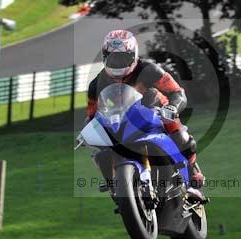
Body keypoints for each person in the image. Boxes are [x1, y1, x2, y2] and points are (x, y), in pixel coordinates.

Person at [86, 29, 205, 189]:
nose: (118, 62)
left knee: (179, 133)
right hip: (121, 120)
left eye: (122, 57)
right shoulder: (96, 84)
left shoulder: (149, 69)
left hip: (155, 110)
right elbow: (92, 115)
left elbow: (177, 92)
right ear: (105, 57)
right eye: (113, 57)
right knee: (102, 151)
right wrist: (89, 131)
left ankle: (192, 168)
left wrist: (172, 106)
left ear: (133, 55)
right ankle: (114, 185)